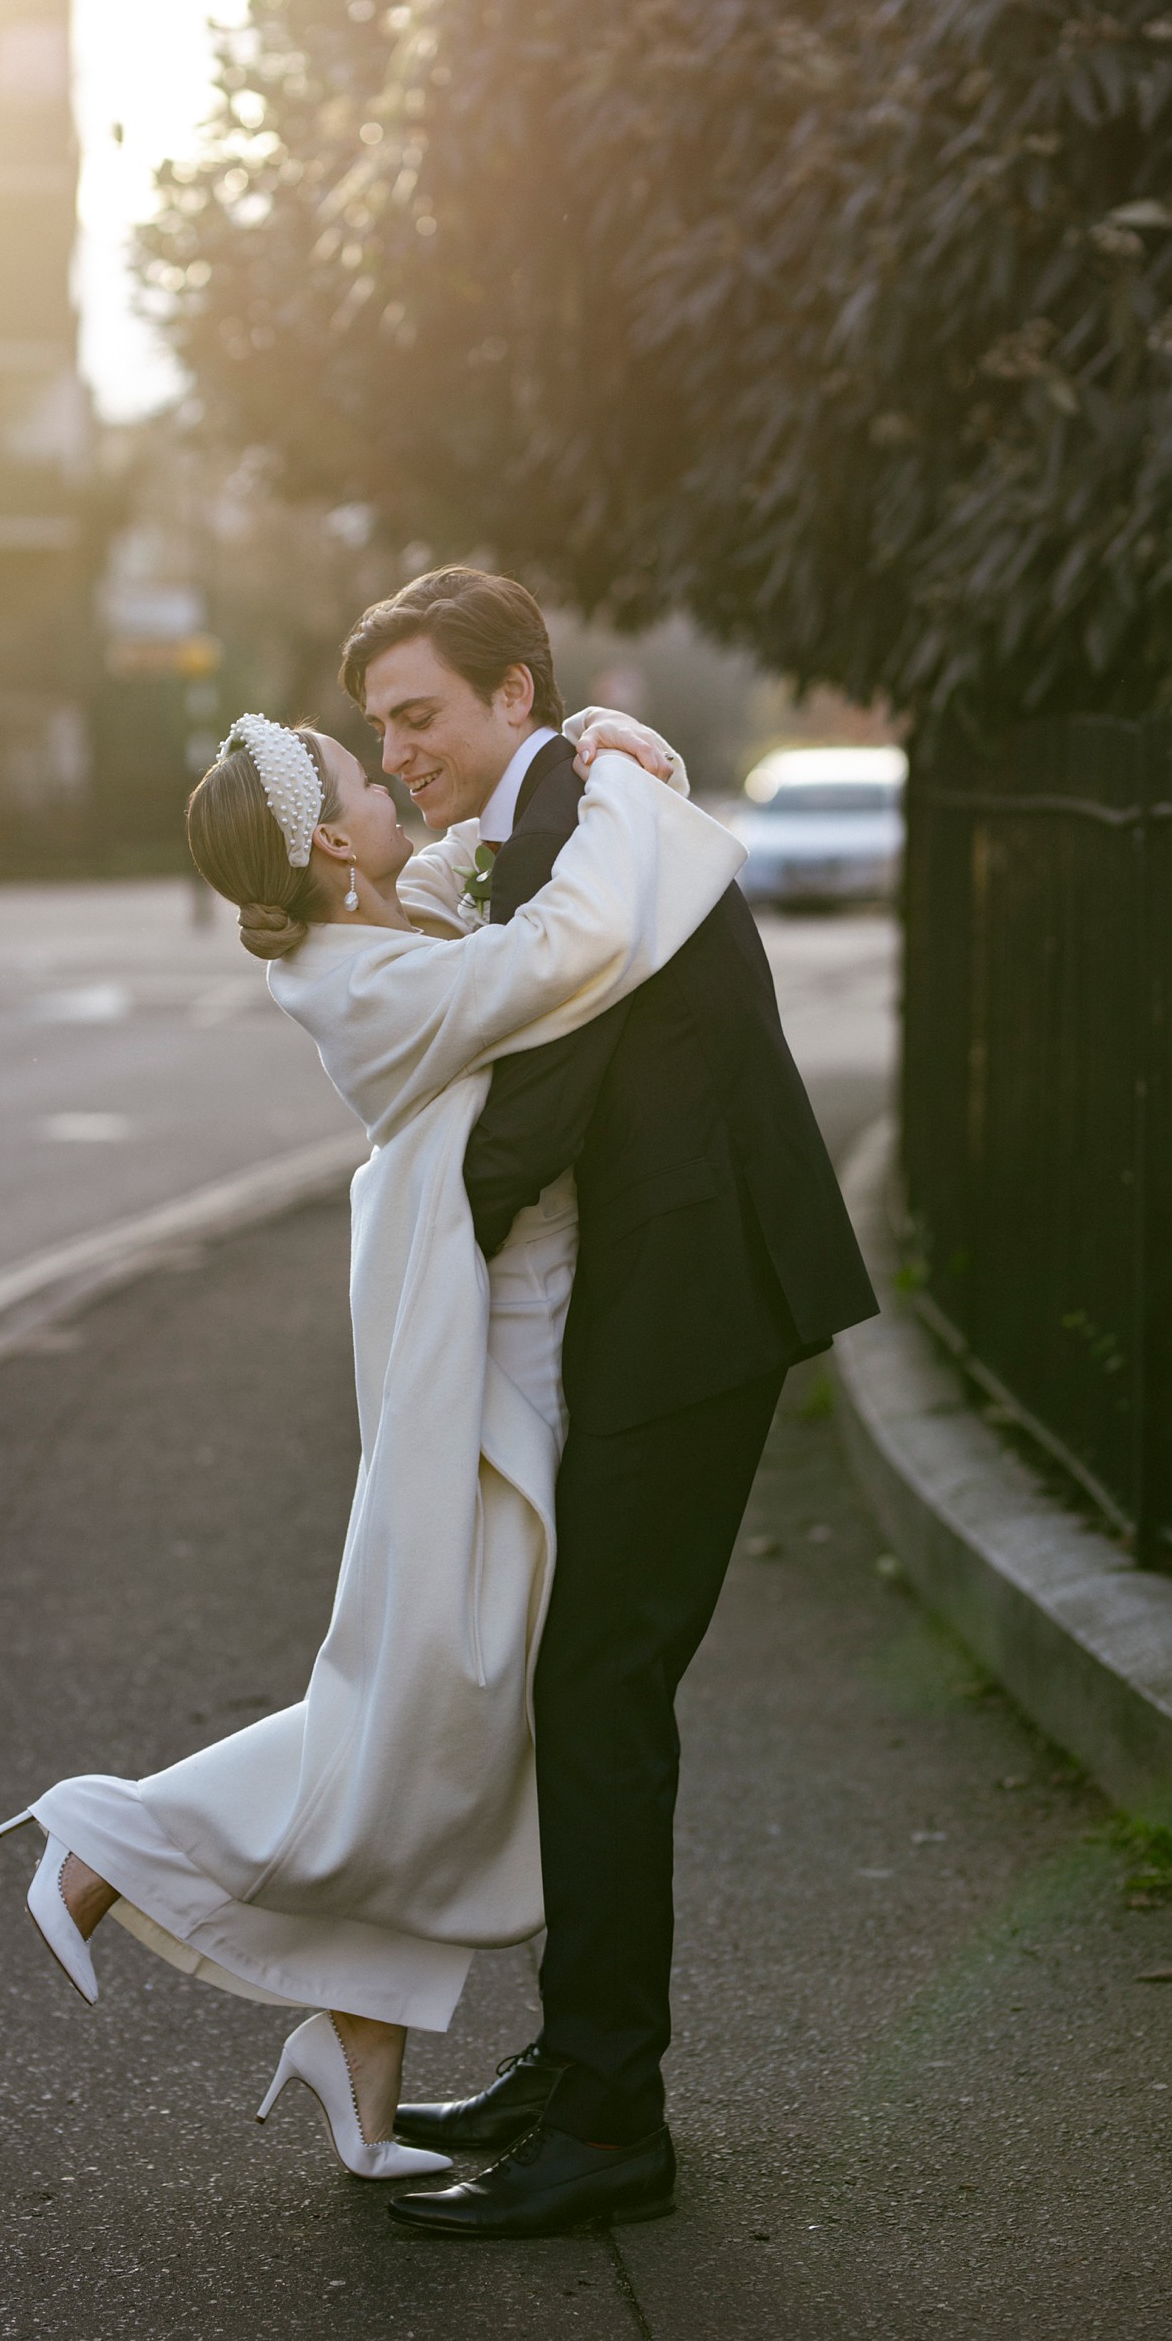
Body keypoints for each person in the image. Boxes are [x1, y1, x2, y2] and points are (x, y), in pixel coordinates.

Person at [0, 697, 743, 2191]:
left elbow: (486, 849)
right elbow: (567, 947)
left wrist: (597, 748)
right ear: (331, 836)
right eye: (360, 767)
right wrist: (634, 789)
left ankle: (360, 2055)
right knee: (437, 1702)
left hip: (504, 1341)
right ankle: (119, 1835)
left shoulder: (393, 914)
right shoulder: (362, 980)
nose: (391, 767)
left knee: (443, 1707)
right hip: (477, 1377)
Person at [336, 569, 879, 2240]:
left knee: (600, 1692)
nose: (400, 748)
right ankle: (581, 2072)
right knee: (590, 1689)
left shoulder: (593, 813)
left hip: (697, 1299)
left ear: (515, 693)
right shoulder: (563, 797)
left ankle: (611, 2117)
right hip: (667, 1294)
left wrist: (411, 1221)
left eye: (418, 713)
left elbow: (539, 1101)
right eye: (378, 728)